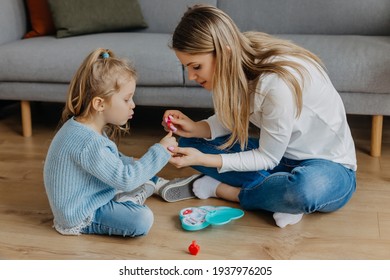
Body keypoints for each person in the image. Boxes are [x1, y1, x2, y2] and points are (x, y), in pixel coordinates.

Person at [160, 5, 357, 228]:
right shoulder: (240, 63)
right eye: (187, 67)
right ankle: (275, 196)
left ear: (225, 52)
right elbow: (233, 120)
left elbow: (266, 157)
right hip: (279, 158)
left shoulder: (275, 85)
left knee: (303, 191)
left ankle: (228, 191)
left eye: (196, 66)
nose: (192, 76)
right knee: (186, 144)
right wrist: (194, 128)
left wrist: (203, 160)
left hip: (329, 167)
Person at [43, 48, 199, 237]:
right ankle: (133, 195)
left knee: (135, 169)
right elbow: (125, 179)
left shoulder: (82, 127)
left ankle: (150, 183)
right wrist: (159, 151)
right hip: (81, 212)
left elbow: (113, 159)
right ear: (99, 104)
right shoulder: (89, 143)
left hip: (87, 195)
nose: (133, 104)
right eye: (126, 99)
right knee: (141, 219)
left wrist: (142, 161)